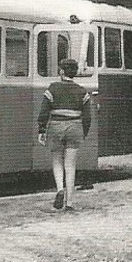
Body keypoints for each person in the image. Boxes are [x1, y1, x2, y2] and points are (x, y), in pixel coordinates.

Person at [37, 58, 94, 211]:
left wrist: (42, 130)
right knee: (70, 165)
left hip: (56, 126)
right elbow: (87, 117)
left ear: (61, 71)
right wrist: (83, 132)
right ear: (75, 73)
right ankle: (69, 203)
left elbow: (44, 112)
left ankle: (59, 189)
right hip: (75, 126)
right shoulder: (82, 91)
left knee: (57, 161)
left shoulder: (53, 88)